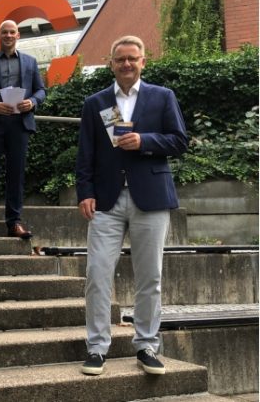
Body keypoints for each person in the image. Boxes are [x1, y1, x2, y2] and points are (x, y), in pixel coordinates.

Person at [76, 36, 188, 376]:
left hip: (150, 197)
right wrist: (84, 192)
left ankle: (147, 346)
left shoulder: (162, 97)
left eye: (132, 59)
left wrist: (145, 141)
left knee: (150, 277)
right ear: (111, 63)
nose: (126, 64)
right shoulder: (95, 102)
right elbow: (86, 154)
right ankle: (97, 347)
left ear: (143, 62)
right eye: (120, 59)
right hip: (106, 200)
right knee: (97, 274)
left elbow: (180, 140)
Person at [0, 19, 45, 242]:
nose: (9, 35)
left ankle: (14, 222)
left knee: (17, 175)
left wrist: (32, 102)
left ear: (18, 35)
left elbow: (42, 90)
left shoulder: (31, 62)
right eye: (5, 32)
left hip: (19, 124)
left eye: (12, 32)